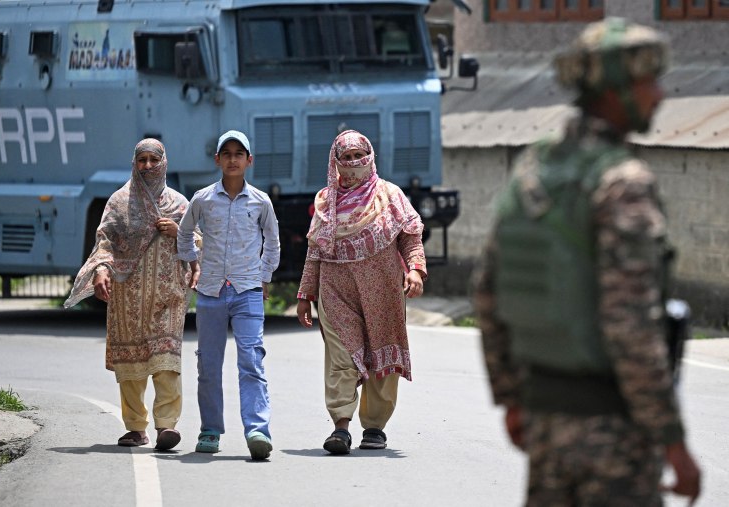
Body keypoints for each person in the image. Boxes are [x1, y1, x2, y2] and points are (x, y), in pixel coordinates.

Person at [474, 18, 701, 506]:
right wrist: (673, 441)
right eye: (649, 82)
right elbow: (631, 326)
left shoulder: (534, 171)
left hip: (547, 426)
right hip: (613, 434)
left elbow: (488, 293)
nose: (660, 96)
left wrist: (513, 398)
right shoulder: (621, 183)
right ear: (615, 89)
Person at [295, 129, 426, 455]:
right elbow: (314, 251)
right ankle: (341, 425)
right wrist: (305, 294)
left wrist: (415, 270)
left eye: (359, 155)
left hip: (383, 292)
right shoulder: (326, 201)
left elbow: (410, 237)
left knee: (383, 351)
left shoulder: (391, 195)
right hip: (336, 292)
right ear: (335, 162)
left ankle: (374, 427)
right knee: (341, 357)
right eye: (347, 157)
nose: (354, 162)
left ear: (370, 157)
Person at [64, 138, 191, 451]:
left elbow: (200, 243)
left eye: (153, 160)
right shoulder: (119, 202)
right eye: (142, 160)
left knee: (166, 361)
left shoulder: (180, 205)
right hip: (127, 298)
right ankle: (135, 427)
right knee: (131, 366)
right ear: (134, 163)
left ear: (164, 163)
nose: (147, 165)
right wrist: (101, 271)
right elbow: (104, 241)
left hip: (167, 296)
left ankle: (166, 426)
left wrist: (180, 232)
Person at [176, 130, 280, 460]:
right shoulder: (203, 199)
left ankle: (257, 430)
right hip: (209, 293)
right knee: (209, 364)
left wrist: (264, 276)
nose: (233, 159)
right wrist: (194, 265)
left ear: (249, 160)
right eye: (227, 153)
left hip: (247, 290)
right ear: (217, 159)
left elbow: (272, 241)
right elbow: (183, 235)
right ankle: (210, 430)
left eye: (239, 153)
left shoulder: (261, 201)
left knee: (251, 360)